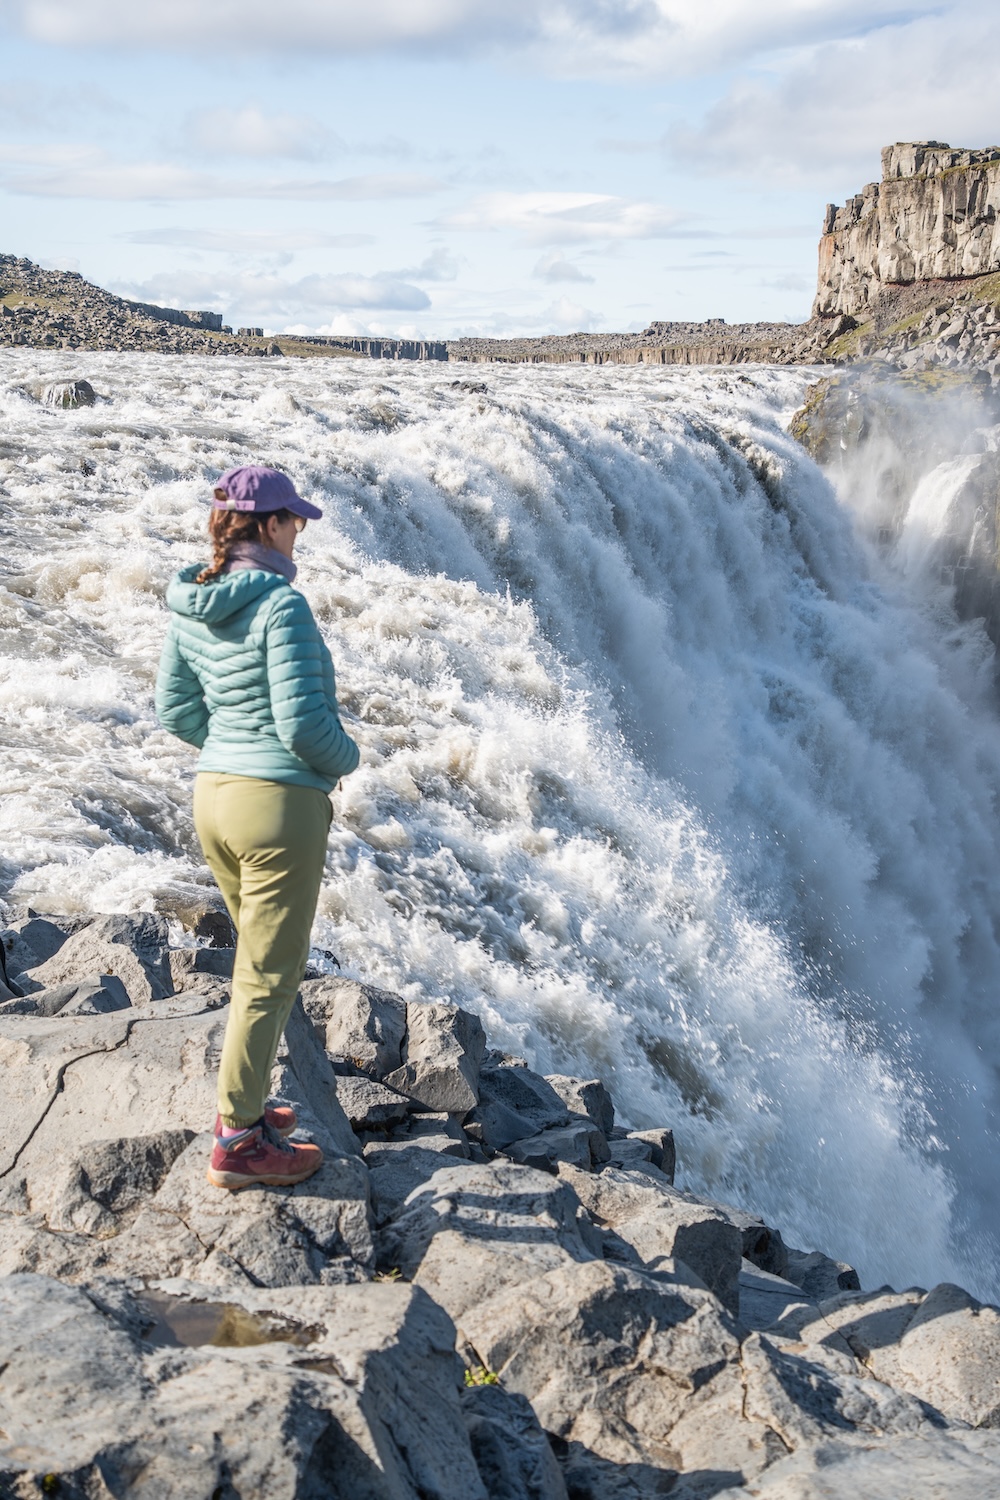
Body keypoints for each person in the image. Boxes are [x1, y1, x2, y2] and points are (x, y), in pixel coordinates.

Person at [156, 465, 359, 1191]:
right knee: (268, 974)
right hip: (276, 806)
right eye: (294, 521)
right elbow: (304, 726)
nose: (299, 532)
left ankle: (247, 1109)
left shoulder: (192, 603)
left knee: (258, 964)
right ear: (269, 525)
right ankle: (237, 1142)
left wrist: (231, 746)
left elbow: (175, 711)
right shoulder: (282, 606)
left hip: (213, 796)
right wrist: (348, 758)